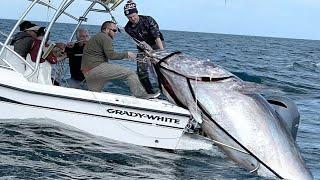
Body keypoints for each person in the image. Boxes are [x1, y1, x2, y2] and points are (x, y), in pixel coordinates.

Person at [81, 21, 158, 99]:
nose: (116, 32)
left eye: (117, 30)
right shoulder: (105, 37)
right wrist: (127, 54)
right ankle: (141, 95)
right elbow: (111, 55)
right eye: (114, 30)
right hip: (96, 68)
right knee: (130, 73)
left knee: (94, 96)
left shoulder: (97, 37)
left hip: (88, 72)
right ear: (107, 30)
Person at [124, 0, 164, 94]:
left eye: (134, 16)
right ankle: (149, 92)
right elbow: (139, 42)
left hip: (156, 44)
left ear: (137, 13)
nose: (132, 18)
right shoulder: (128, 28)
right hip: (142, 47)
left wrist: (161, 55)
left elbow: (157, 37)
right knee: (141, 71)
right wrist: (147, 52)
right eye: (130, 17)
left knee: (160, 68)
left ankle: (164, 89)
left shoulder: (148, 20)